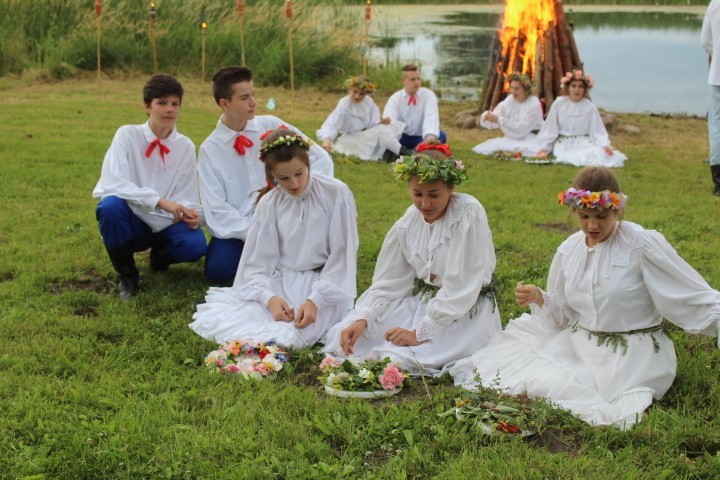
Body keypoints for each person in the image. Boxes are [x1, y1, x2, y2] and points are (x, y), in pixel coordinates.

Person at [451, 166, 720, 429]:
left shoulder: (641, 245)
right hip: (580, 344)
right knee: (532, 380)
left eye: (602, 216)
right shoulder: (570, 249)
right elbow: (564, 315)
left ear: (617, 208)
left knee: (595, 398)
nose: (592, 225)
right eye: (583, 216)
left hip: (631, 356)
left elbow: (689, 295)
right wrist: (539, 297)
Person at [322, 145, 501, 376]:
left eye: (434, 194)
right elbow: (389, 281)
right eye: (417, 194)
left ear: (451, 188)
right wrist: (363, 318)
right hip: (427, 302)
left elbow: (463, 284)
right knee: (349, 337)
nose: (425, 204)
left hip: (463, 310)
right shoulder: (409, 222)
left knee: (400, 356)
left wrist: (421, 331)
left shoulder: (468, 213)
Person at [190, 128, 358, 348]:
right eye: (284, 178)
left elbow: (342, 254)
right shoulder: (270, 203)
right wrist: (269, 298)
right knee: (250, 325)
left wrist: (316, 300)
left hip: (326, 282)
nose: (294, 184)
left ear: (308, 163)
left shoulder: (336, 193)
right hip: (284, 280)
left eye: (299, 173)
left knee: (290, 337)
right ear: (271, 176)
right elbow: (257, 262)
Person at [199, 66, 335, 284]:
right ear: (225, 104)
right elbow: (216, 207)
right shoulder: (210, 149)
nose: (253, 102)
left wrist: (298, 193)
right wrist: (255, 231)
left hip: (285, 217)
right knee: (218, 270)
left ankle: (287, 262)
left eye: (253, 94)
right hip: (243, 228)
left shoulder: (271, 125)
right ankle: (276, 263)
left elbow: (320, 159)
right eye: (245, 98)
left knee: (319, 257)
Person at [93, 74, 207, 300]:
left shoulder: (184, 146)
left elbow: (187, 193)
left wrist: (189, 212)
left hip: (166, 222)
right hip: (133, 219)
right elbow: (113, 181)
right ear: (147, 106)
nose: (169, 110)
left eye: (175, 104)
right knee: (110, 207)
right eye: (161, 103)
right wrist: (158, 201)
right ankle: (127, 275)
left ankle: (159, 258)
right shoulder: (127, 134)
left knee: (195, 245)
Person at [536, 69, 627, 168]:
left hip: (583, 141)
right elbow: (550, 128)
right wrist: (544, 148)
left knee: (598, 154)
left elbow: (597, 130)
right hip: (564, 143)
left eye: (580, 87)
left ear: (584, 90)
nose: (576, 90)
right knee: (567, 157)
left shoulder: (590, 107)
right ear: (568, 88)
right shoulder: (559, 104)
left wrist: (604, 145)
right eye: (573, 86)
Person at [317, 75, 409, 162]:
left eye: (361, 94)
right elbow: (331, 124)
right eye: (355, 92)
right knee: (381, 132)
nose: (357, 96)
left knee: (387, 127)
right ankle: (403, 154)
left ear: (366, 94)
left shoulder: (368, 102)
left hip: (363, 134)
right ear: (350, 90)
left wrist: (380, 122)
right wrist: (327, 140)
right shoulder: (345, 104)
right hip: (349, 139)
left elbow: (371, 124)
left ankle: (402, 153)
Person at [472, 72, 544, 157]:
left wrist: (499, 119)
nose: (513, 92)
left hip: (531, 137)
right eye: (512, 88)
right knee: (485, 147)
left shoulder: (533, 104)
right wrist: (488, 117)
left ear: (526, 90)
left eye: (517, 89)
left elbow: (522, 129)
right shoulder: (510, 100)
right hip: (512, 138)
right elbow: (497, 115)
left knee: (526, 149)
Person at [382, 64, 447, 151]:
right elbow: (390, 124)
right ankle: (403, 151)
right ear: (404, 81)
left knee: (441, 135)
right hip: (402, 138)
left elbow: (431, 117)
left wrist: (428, 139)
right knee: (385, 137)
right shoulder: (395, 99)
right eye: (412, 79)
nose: (417, 82)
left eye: (418, 79)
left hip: (421, 138)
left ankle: (419, 149)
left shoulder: (429, 95)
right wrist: (393, 143)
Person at [701, 0, 720, 195]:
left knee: (716, 124)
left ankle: (718, 183)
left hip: (717, 74)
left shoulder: (715, 4)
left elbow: (705, 40)